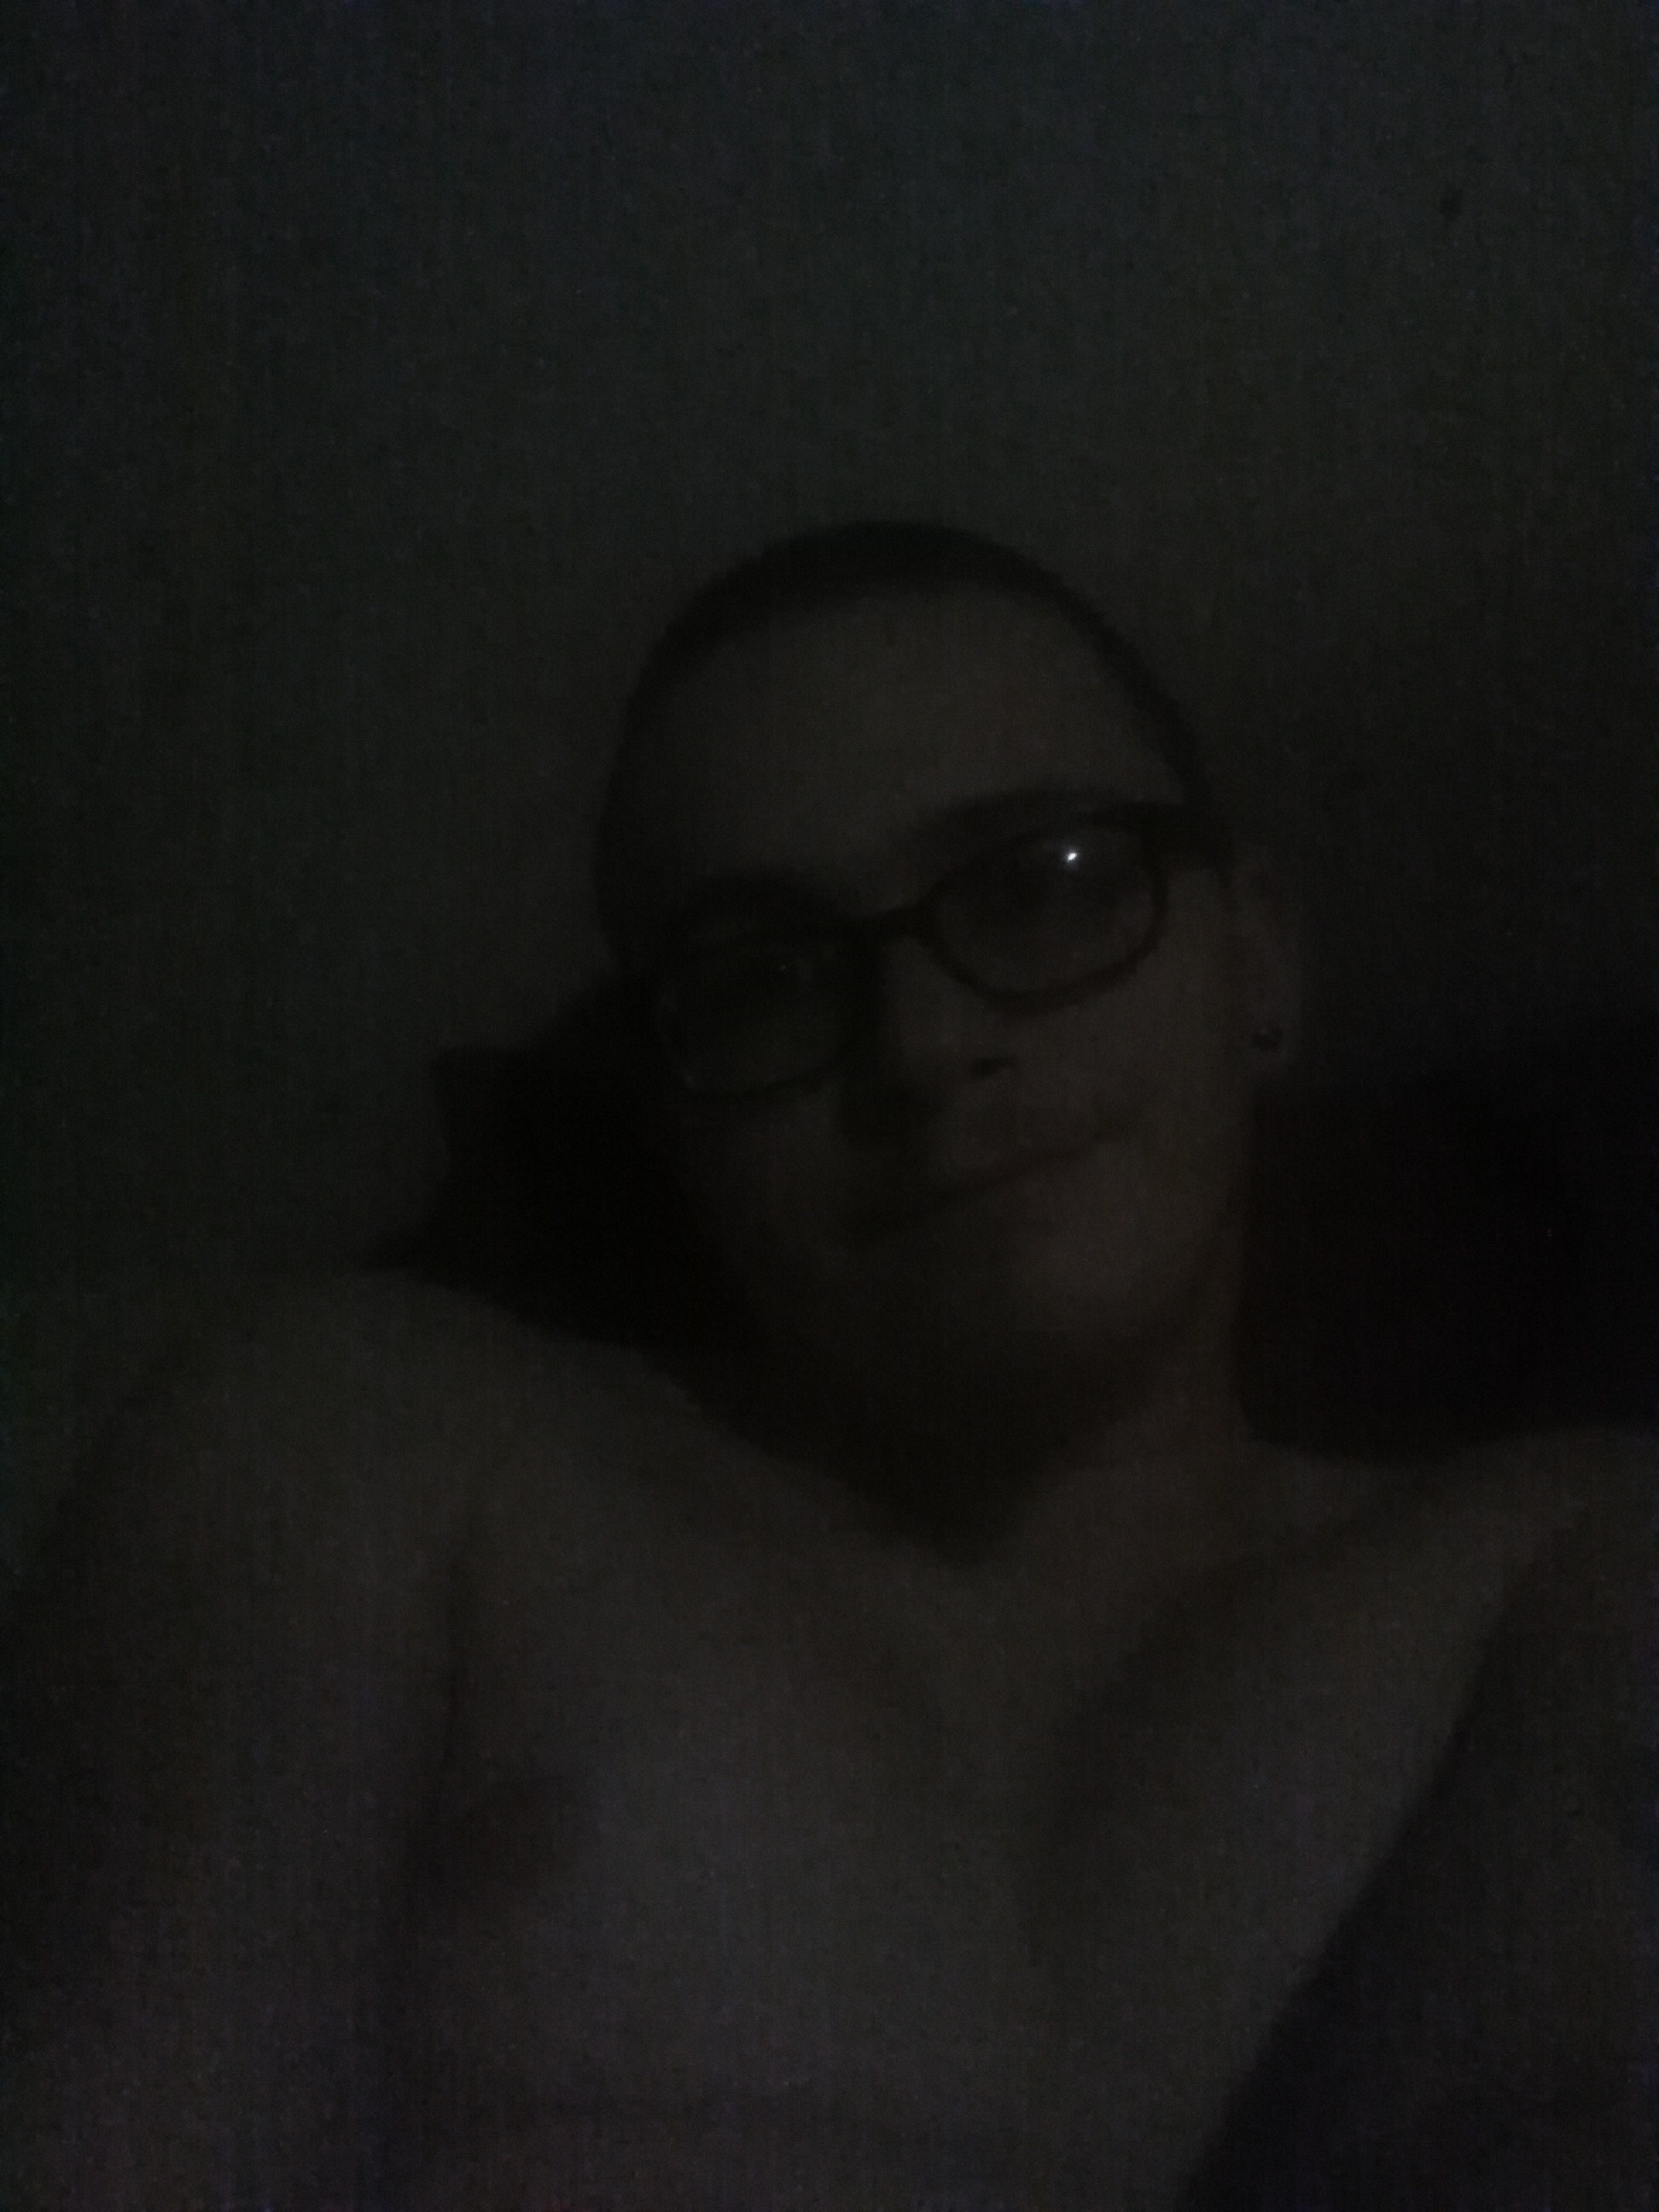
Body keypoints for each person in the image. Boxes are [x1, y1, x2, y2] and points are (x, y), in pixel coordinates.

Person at [2, 521, 1652, 2211]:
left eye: (1041, 884)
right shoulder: (367, 1444)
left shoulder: (1575, 1561)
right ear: (676, 1125)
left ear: (1259, 956)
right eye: (761, 982)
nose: (923, 1048)